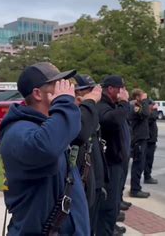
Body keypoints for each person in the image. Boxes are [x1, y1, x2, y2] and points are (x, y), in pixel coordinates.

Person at [0, 62, 90, 235]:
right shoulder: (18, 132)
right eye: (58, 85)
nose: (66, 89)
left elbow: (78, 131)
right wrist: (63, 103)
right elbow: (46, 149)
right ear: (38, 94)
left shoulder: (48, 127)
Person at [71, 74, 108, 235]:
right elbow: (82, 135)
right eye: (90, 91)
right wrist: (88, 103)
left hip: (94, 178)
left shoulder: (90, 110)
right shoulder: (76, 114)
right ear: (77, 93)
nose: (95, 94)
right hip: (81, 181)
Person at [96, 75, 130, 236]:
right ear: (110, 89)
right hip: (109, 164)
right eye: (121, 88)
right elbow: (113, 121)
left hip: (117, 162)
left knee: (114, 204)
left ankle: (111, 229)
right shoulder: (102, 105)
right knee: (107, 208)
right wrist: (123, 103)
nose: (124, 92)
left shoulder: (112, 105)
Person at [128, 89, 151, 198]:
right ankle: (135, 190)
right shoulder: (134, 106)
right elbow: (146, 113)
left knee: (140, 164)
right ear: (137, 97)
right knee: (138, 165)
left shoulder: (139, 105)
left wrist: (145, 102)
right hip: (138, 139)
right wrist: (145, 101)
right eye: (142, 96)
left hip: (142, 138)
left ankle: (136, 188)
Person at [144, 100, 159, 184]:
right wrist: (155, 110)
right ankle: (147, 176)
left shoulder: (148, 113)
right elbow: (153, 117)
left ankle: (147, 175)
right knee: (147, 159)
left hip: (151, 139)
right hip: (148, 139)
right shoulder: (147, 114)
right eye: (151, 105)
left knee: (149, 159)